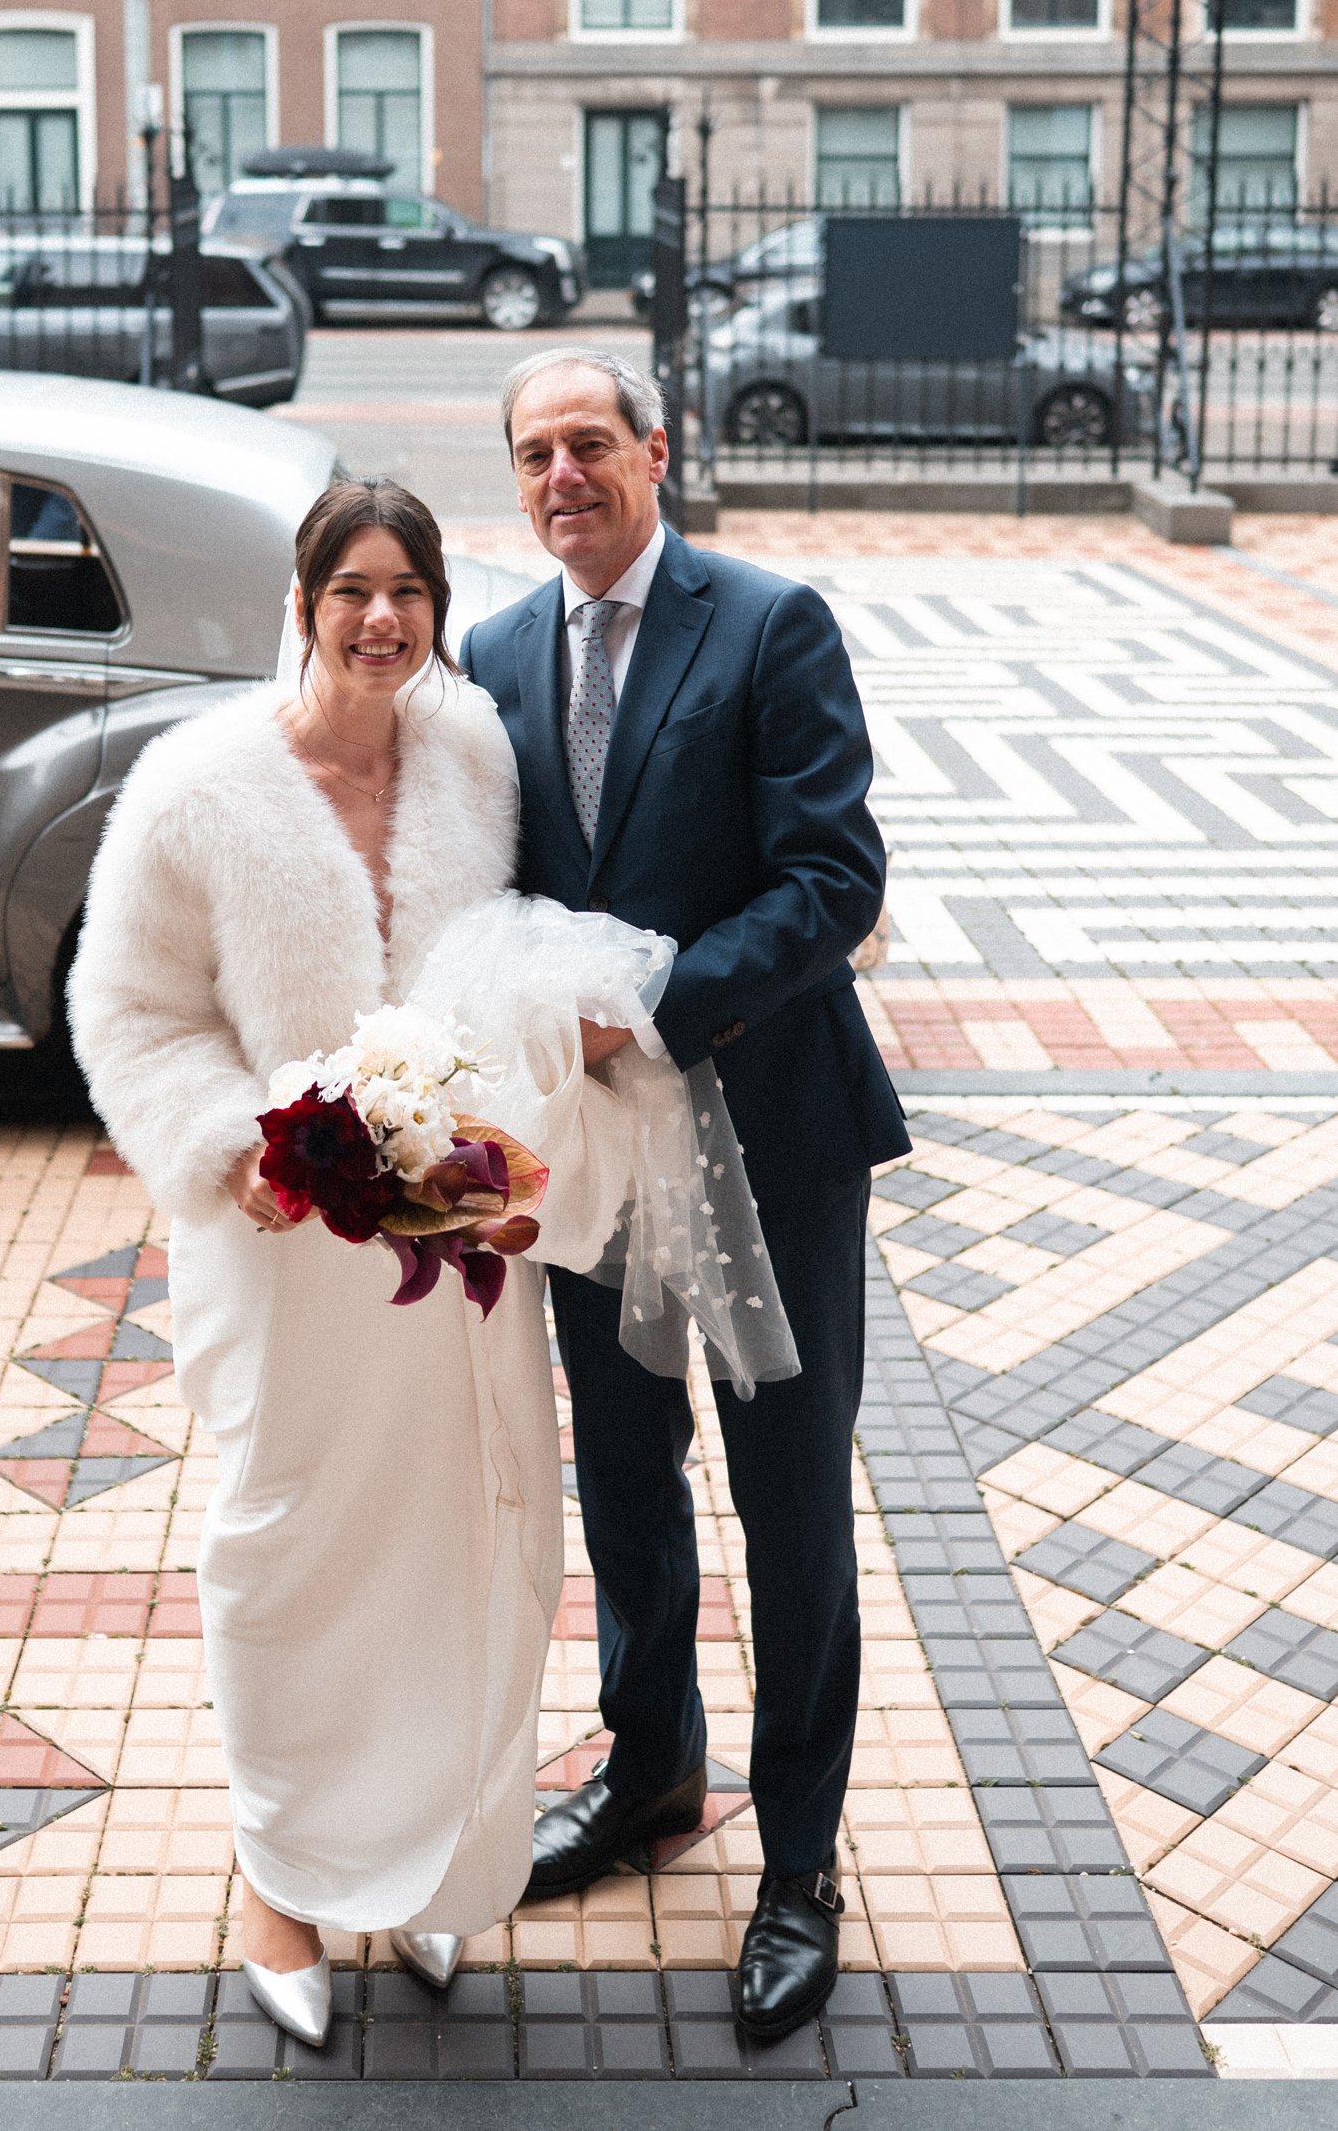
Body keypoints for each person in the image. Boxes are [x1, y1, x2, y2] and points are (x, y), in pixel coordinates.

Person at [67, 478, 692, 2051]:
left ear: (432, 606)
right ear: (302, 606)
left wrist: (513, 1166)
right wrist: (241, 1147)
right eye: (348, 590)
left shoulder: (476, 760)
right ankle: (281, 1873)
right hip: (283, 1250)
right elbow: (130, 1015)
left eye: (405, 589)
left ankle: (416, 1858)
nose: (379, 619)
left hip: (455, 1255)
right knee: (286, 1549)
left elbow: (527, 972)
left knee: (455, 1552)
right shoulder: (199, 789)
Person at [461, 350, 911, 2043]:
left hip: (770, 1137)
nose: (563, 474)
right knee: (629, 1487)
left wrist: (653, 1003)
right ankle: (652, 1773)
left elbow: (835, 879)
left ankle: (798, 1858)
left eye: (590, 443)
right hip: (592, 1165)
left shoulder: (771, 622)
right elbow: (493, 898)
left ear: (659, 451)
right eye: (533, 454)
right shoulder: (499, 654)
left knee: (789, 1503)